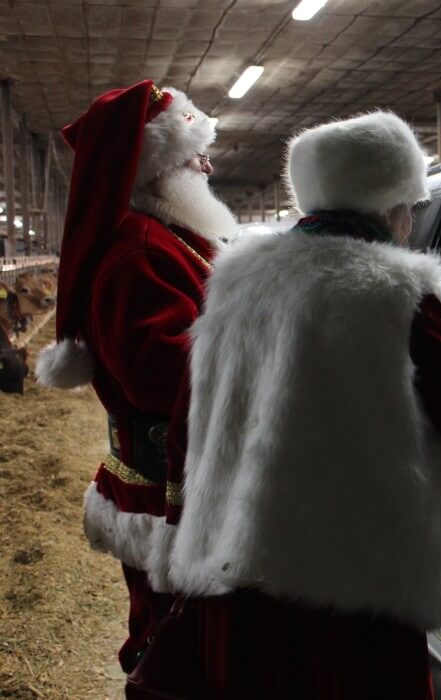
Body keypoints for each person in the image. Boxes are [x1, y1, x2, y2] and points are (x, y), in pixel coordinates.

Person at [127, 110, 441, 698]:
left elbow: (187, 412)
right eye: (409, 204)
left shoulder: (237, 278)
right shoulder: (394, 286)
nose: (411, 220)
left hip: (238, 556)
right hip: (352, 575)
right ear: (387, 204)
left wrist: (188, 511)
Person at [34, 80, 235, 673]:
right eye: (196, 154)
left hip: (182, 474)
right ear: (161, 166)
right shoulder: (141, 251)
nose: (207, 164)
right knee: (173, 644)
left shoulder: (169, 236)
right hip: (166, 488)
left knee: (184, 635)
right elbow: (161, 374)